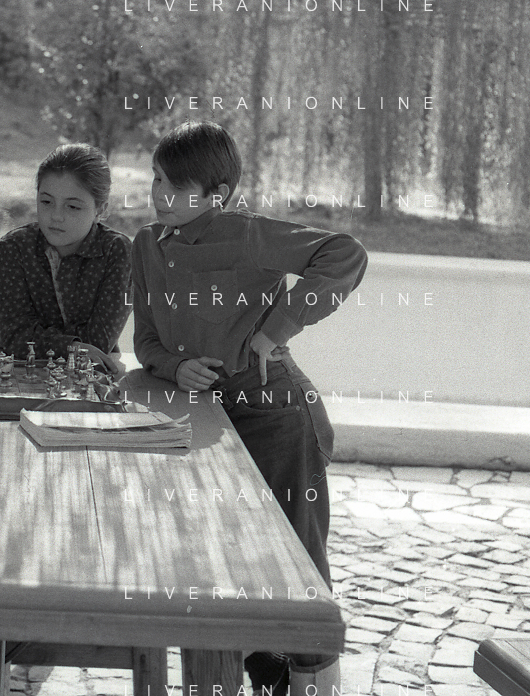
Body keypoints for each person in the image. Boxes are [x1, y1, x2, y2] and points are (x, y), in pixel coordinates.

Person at [130, 120, 367, 695]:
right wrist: (173, 366)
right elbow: (145, 341)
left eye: (177, 186)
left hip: (276, 415)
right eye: (157, 179)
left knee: (298, 559)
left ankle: (313, 685)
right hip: (201, 420)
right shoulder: (146, 246)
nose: (161, 194)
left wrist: (275, 329)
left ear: (218, 195)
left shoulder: (248, 234)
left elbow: (344, 254)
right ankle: (249, 674)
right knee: (220, 554)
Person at [0, 143, 132, 375]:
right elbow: (13, 336)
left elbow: (99, 343)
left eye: (73, 207)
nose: (56, 216)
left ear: (101, 209)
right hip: (26, 374)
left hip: (93, 376)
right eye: (46, 202)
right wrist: (74, 347)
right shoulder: (15, 247)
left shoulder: (116, 251)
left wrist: (39, 340)